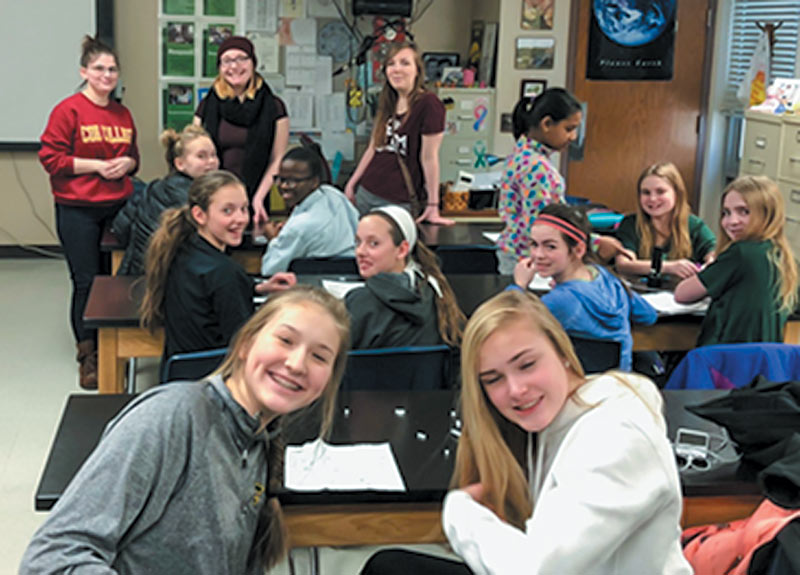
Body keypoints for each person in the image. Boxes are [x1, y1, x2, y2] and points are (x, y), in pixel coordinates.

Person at [20, 286, 351, 574]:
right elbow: (51, 558)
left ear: (327, 383)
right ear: (246, 344)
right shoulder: (174, 416)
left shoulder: (258, 442)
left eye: (319, 357)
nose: (296, 363)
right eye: (285, 340)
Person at [361, 290, 691, 575]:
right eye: (493, 379)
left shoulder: (614, 437)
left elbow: (534, 569)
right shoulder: (555, 419)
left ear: (562, 352)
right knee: (389, 567)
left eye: (527, 364)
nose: (516, 390)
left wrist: (462, 514)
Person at [39, 35, 139, 389]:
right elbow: (51, 159)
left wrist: (127, 162)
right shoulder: (68, 110)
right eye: (99, 68)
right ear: (84, 71)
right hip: (78, 208)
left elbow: (134, 157)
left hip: (118, 207)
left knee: (115, 279)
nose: (107, 75)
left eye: (112, 69)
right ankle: (89, 355)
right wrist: (96, 167)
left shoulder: (122, 112)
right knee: (85, 281)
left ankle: (116, 347)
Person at [140, 170, 295, 361]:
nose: (240, 219)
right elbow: (243, 343)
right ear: (200, 215)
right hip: (214, 376)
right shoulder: (224, 272)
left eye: (244, 209)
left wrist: (258, 287)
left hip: (180, 374)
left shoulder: (180, 250)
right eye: (227, 211)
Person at [496, 89, 629, 274]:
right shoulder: (536, 168)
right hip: (529, 261)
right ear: (547, 124)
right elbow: (544, 225)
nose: (573, 137)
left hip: (520, 256)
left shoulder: (521, 155)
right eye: (569, 129)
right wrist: (594, 243)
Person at [512, 204, 657, 371]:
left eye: (550, 246)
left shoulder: (560, 301)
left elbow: (509, 331)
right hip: (618, 386)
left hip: (577, 391)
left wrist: (519, 286)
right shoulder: (606, 277)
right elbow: (648, 315)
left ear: (579, 249)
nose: (538, 254)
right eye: (534, 244)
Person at [675, 175, 798, 346]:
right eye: (726, 213)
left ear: (767, 214)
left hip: (725, 360)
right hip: (764, 364)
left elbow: (682, 294)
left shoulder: (741, 253)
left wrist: (710, 270)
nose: (731, 221)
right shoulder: (786, 259)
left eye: (744, 211)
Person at [344, 41, 452, 225]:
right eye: (391, 64)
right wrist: (352, 183)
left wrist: (433, 205)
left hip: (399, 200)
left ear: (418, 70)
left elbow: (429, 158)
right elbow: (374, 146)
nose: (396, 69)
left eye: (405, 63)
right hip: (367, 192)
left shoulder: (429, 104)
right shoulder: (388, 99)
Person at [194, 35, 288, 227]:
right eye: (227, 61)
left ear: (253, 63)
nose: (234, 67)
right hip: (214, 199)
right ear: (220, 68)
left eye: (242, 59)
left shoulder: (274, 106)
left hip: (256, 197)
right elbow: (194, 155)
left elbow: (277, 159)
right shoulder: (207, 106)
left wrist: (258, 199)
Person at [346, 206, 465, 349]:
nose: (360, 251)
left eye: (373, 243)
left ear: (402, 250)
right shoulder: (438, 295)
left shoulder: (358, 302)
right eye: (358, 242)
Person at [111, 125, 220, 275]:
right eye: (201, 156)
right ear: (179, 163)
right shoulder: (199, 199)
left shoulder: (151, 188)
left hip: (135, 274)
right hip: (169, 281)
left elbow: (121, 228)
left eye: (214, 155)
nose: (211, 162)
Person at [260, 147, 359, 276]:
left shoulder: (300, 227)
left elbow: (269, 270)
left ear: (314, 182)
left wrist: (273, 240)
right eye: (281, 179)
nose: (284, 186)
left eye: (293, 181)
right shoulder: (334, 195)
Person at [615, 162, 716, 279]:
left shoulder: (694, 225)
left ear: (677, 194)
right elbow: (623, 264)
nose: (652, 199)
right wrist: (668, 267)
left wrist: (710, 262)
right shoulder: (631, 224)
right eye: (646, 192)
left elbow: (714, 252)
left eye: (660, 191)